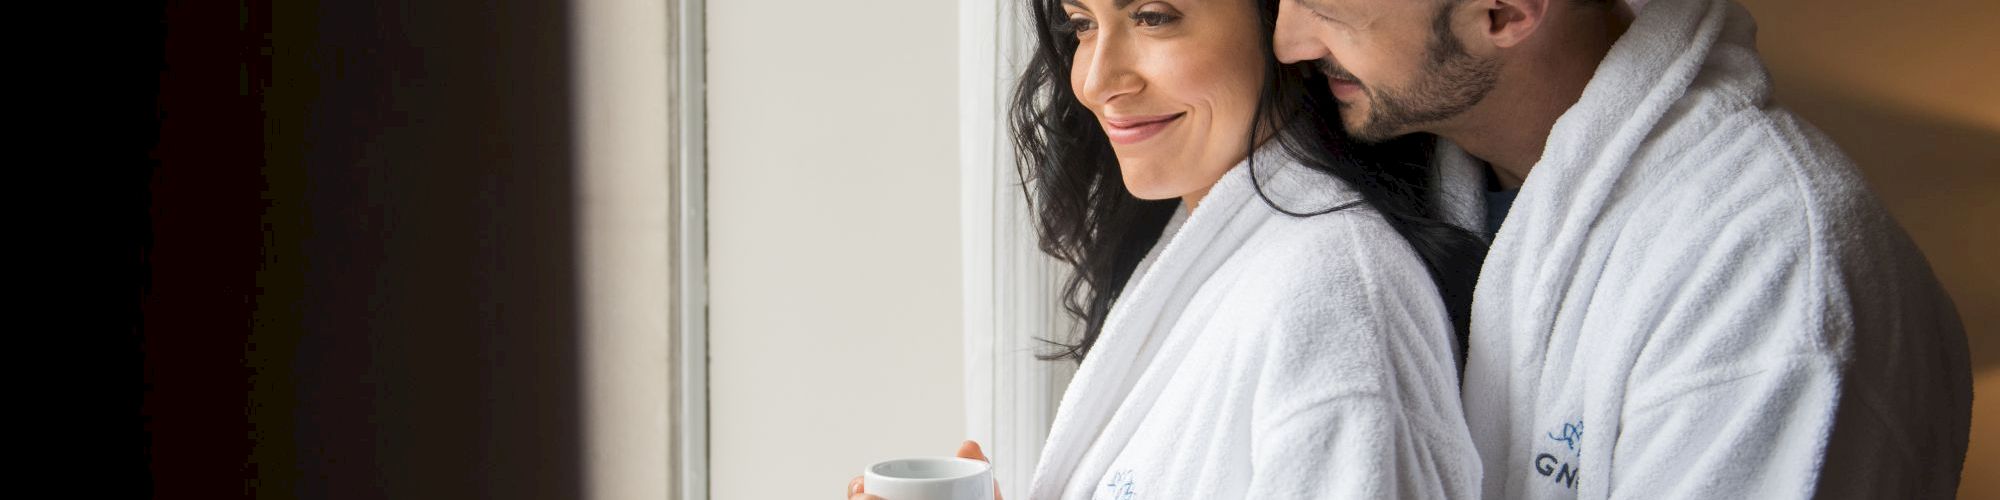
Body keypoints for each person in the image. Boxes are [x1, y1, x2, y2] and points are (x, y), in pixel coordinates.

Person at [1271, 0, 1973, 498]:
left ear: (1508, 10)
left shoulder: (1771, 271)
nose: (1287, 40)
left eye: (1327, 7)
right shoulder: (1411, 194)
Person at [848, 0, 1489, 498]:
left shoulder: (1336, 302)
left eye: (1154, 17)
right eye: (1081, 24)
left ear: (1280, 23)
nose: (1096, 81)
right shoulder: (1205, 262)